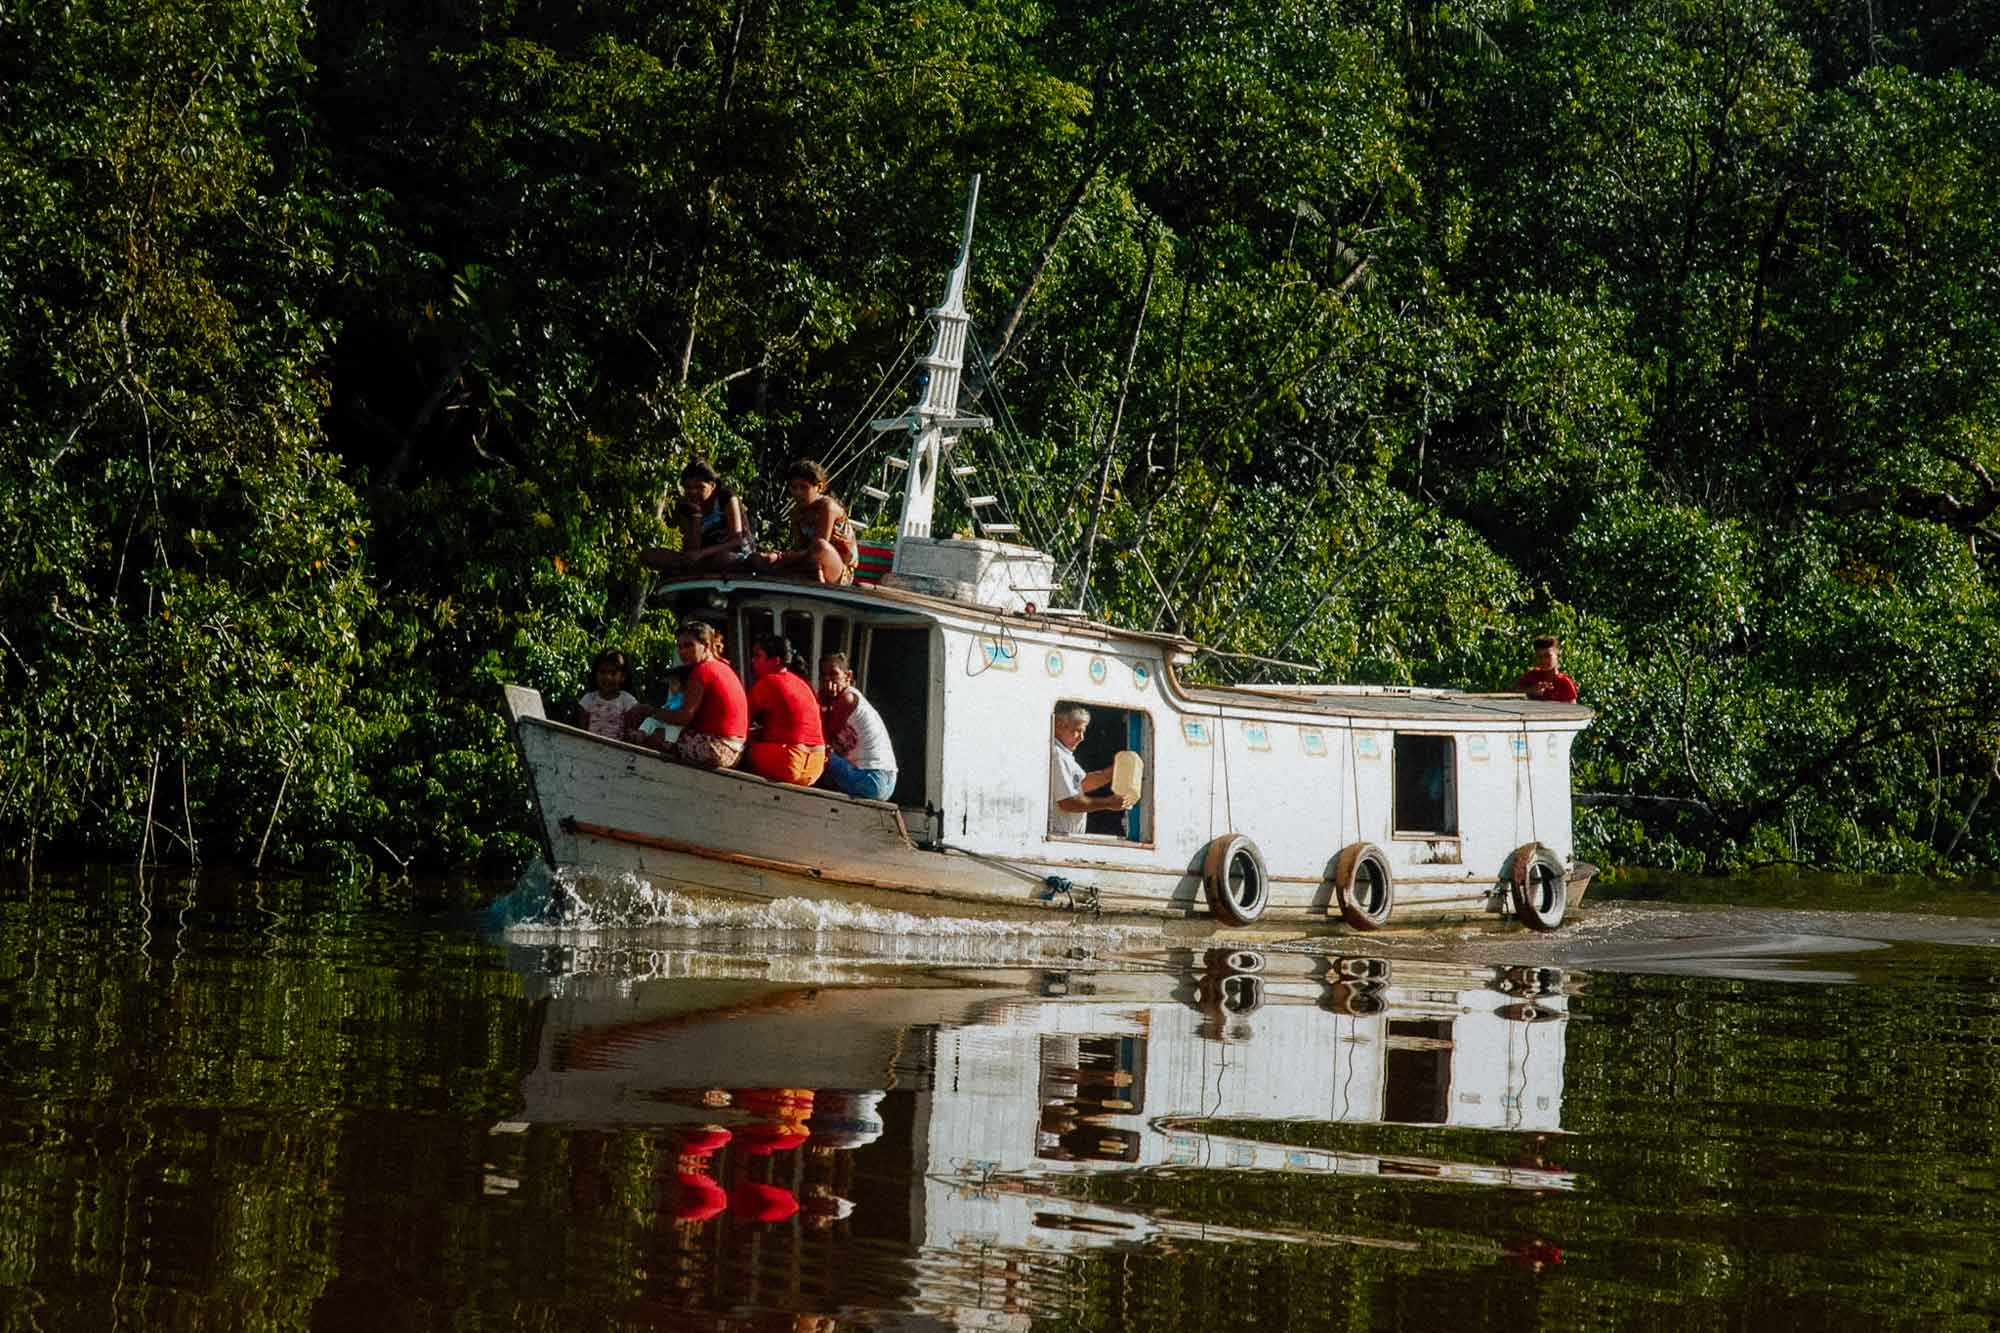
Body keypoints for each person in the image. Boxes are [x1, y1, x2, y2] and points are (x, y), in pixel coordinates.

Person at [626, 621, 747, 768]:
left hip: (717, 747)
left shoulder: (702, 672)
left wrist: (650, 712)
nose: (683, 652)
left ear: (706, 646)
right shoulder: (724, 667)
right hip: (736, 749)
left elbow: (683, 717)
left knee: (653, 736)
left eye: (690, 645)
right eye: (680, 647)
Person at [751, 458, 857, 584]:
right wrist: (779, 557)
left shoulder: (828, 507)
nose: (798, 493)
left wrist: (784, 558)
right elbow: (799, 546)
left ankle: (808, 575)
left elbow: (820, 546)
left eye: (804, 488)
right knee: (757, 559)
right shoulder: (796, 511)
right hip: (808, 560)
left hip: (838, 570)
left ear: (819, 487)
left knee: (819, 546)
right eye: (794, 488)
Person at [742, 633, 827, 785]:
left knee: (739, 747)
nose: (752, 661)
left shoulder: (768, 682)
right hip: (816, 766)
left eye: (758, 656)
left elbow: (742, 721)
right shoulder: (803, 684)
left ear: (776, 661)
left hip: (789, 762)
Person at [639, 459, 751, 574]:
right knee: (649, 556)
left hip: (733, 554)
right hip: (703, 559)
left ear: (712, 485)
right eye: (688, 488)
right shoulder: (685, 506)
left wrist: (701, 554)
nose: (693, 492)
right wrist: (695, 515)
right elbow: (692, 550)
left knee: (724, 559)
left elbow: (736, 540)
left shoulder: (726, 497)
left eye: (699, 487)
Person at [815, 653, 898, 801]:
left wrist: (824, 700)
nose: (828, 680)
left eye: (833, 674)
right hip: (884, 781)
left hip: (873, 778)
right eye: (823, 675)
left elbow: (822, 736)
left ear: (848, 675)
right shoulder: (845, 698)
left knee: (815, 753)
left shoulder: (848, 698)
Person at [1049, 704, 1135, 835]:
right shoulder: (1057, 754)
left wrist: (1112, 772)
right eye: (1077, 730)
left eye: (1083, 732)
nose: (1081, 737)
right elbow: (1068, 802)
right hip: (1060, 835)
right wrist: (1108, 803)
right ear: (1059, 725)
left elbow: (1082, 784)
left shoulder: (1064, 754)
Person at [576, 648, 637, 740]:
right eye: (602, 672)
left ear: (623, 677)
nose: (607, 677)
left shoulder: (628, 701)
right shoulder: (588, 699)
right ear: (595, 674)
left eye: (613, 673)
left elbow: (630, 730)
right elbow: (581, 729)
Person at [1515, 635, 1579, 703]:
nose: (1543, 660)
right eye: (1540, 657)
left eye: (1547, 656)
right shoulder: (1532, 676)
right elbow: (1513, 690)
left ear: (1557, 656)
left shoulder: (1565, 683)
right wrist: (1531, 690)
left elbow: (1573, 709)